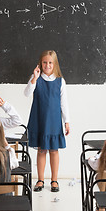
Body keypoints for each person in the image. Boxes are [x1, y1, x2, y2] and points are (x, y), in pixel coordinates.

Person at [24, 50, 70, 192]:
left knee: (54, 150)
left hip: (54, 121)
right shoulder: (36, 78)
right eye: (45, 62)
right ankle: (40, 180)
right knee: (41, 150)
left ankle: (54, 180)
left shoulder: (60, 81)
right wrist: (34, 78)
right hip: (39, 119)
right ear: (40, 63)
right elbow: (26, 93)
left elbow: (64, 103)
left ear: (54, 64)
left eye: (50, 62)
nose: (47, 65)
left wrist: (67, 121)